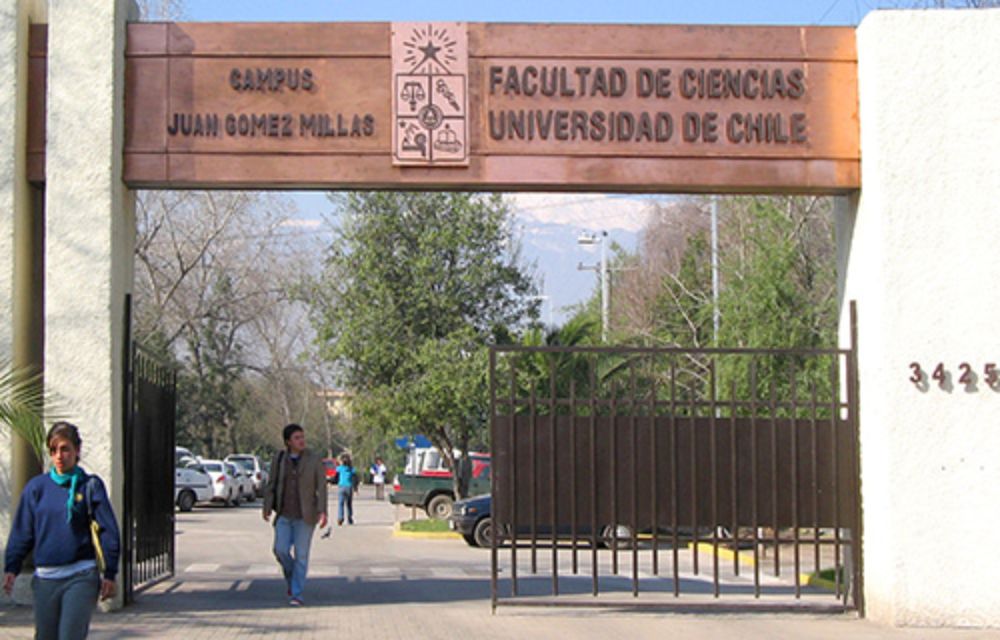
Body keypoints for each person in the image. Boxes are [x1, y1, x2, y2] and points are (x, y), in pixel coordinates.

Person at [3, 421, 121, 640]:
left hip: (81, 576)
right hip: (45, 579)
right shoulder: (37, 488)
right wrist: (12, 567)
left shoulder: (90, 486)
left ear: (77, 450)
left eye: (65, 448)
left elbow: (108, 530)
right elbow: (23, 532)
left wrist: (110, 573)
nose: (59, 455)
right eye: (53, 450)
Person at [262, 424, 328, 606]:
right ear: (288, 442)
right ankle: (292, 578)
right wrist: (267, 506)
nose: (301, 441)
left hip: (305, 516)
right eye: (297, 438)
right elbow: (272, 484)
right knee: (280, 550)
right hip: (284, 514)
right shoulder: (279, 458)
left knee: (301, 555)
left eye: (302, 437)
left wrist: (323, 511)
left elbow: (321, 487)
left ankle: (297, 593)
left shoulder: (313, 459)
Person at [335, 453, 358, 525]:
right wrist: (355, 488)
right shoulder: (352, 469)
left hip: (341, 487)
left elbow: (336, 478)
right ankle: (349, 518)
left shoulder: (339, 468)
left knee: (340, 503)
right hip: (349, 487)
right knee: (349, 504)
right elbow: (355, 479)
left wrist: (330, 481)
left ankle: (340, 518)